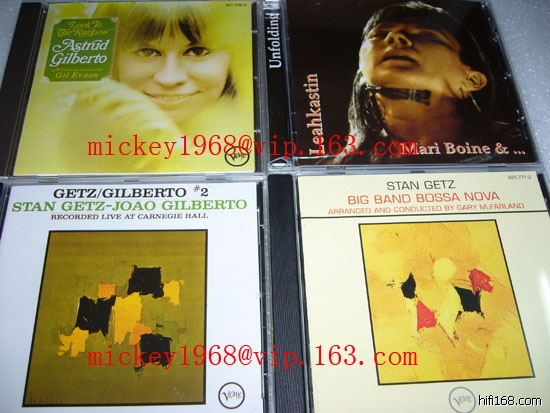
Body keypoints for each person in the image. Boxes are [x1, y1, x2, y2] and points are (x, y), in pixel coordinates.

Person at [16, 1, 254, 174]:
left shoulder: (252, 143)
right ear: (112, 58)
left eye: (197, 51)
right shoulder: (42, 149)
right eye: (147, 52)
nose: (169, 78)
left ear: (233, 58)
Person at [331, 1, 519, 164]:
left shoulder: (511, 153)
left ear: (471, 80)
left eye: (427, 36)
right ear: (361, 67)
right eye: (379, 34)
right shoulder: (339, 166)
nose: (395, 37)